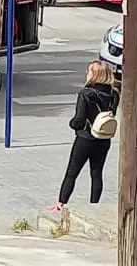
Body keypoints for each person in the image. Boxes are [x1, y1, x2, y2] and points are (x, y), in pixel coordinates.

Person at [50, 61, 120, 213]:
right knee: (96, 173)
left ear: (95, 74)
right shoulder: (113, 94)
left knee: (72, 173)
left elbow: (79, 120)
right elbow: (112, 113)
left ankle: (61, 204)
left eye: (88, 71)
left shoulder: (85, 94)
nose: (86, 73)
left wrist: (72, 124)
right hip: (103, 139)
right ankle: (94, 205)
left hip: (85, 138)